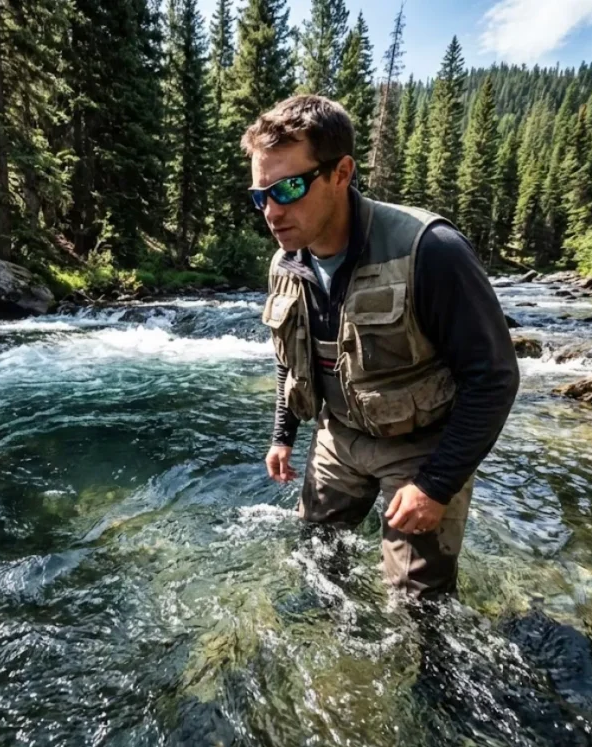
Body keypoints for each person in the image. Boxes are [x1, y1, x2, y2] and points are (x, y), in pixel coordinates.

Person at [248, 95, 519, 600]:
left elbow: (495, 377)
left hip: (423, 446)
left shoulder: (429, 250)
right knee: (316, 557)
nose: (271, 210)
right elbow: (291, 360)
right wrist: (282, 434)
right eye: (259, 194)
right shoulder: (285, 263)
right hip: (338, 436)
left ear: (341, 173)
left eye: (287, 187)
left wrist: (437, 484)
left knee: (415, 602)